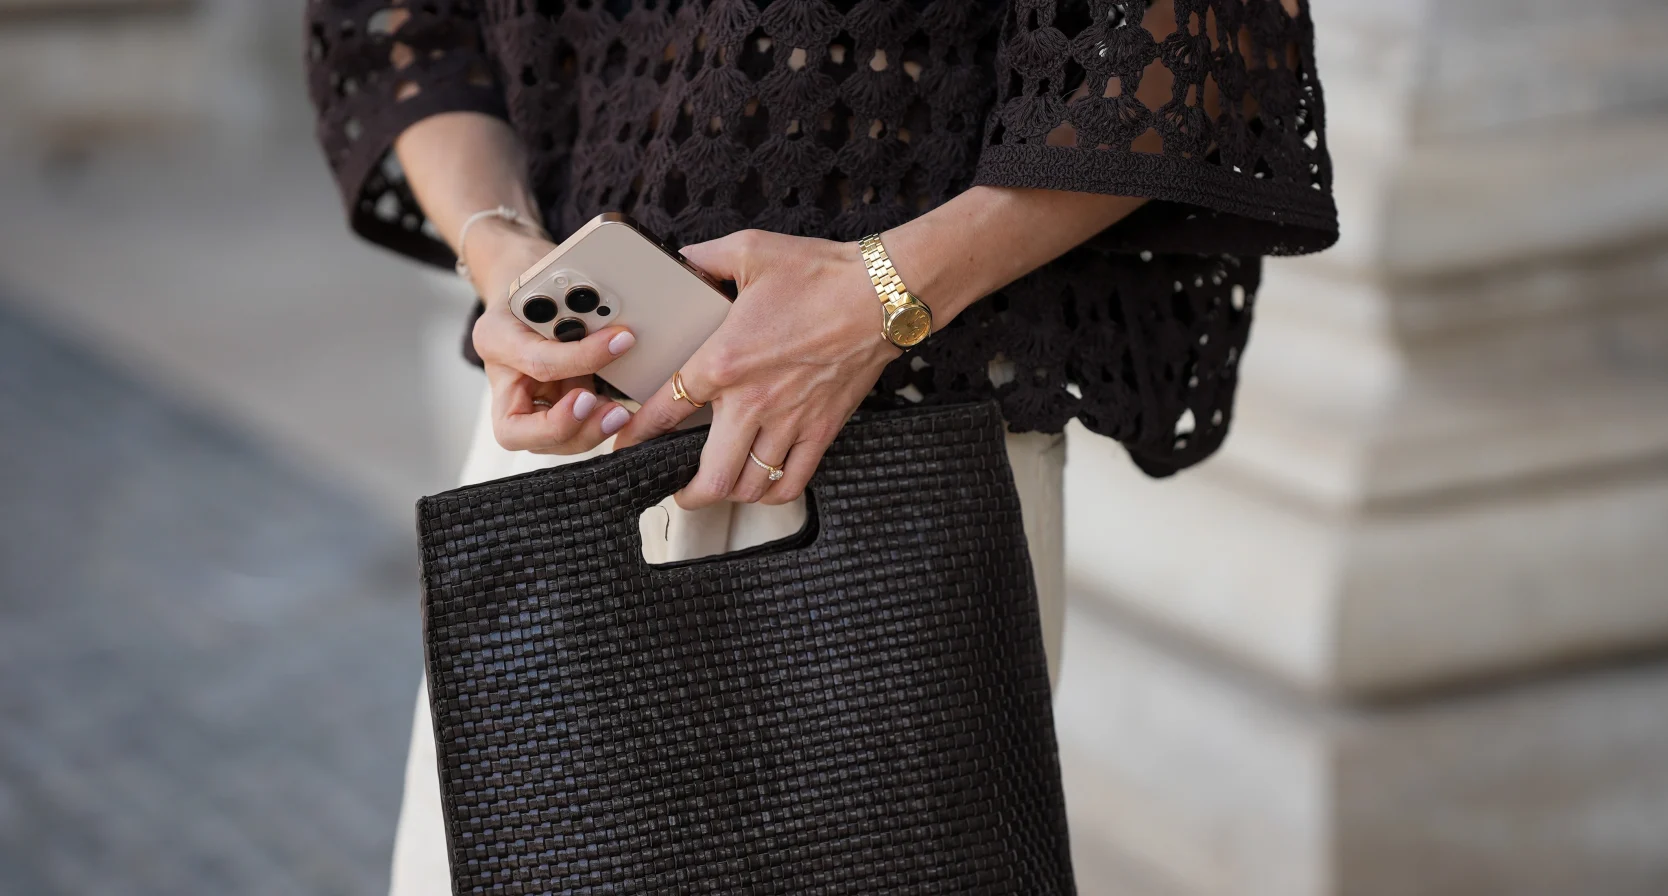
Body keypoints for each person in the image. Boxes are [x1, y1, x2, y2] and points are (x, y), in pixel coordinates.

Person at [306, 0, 1336, 890]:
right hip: (581, 444)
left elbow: (1160, 61)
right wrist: (508, 257)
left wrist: (877, 298)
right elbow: (411, 31)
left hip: (894, 447)